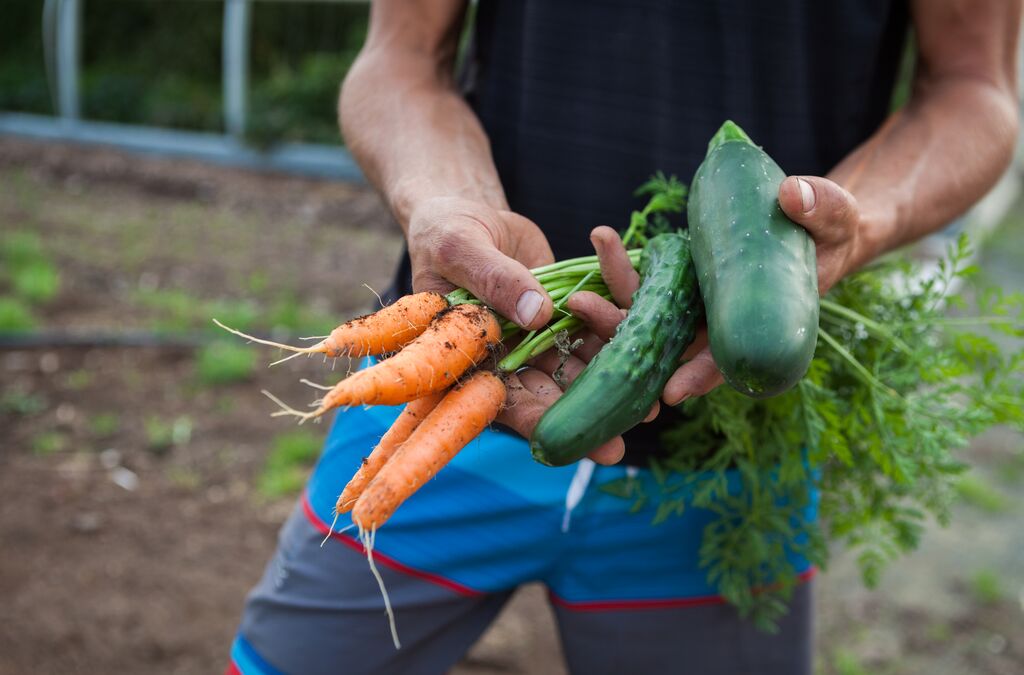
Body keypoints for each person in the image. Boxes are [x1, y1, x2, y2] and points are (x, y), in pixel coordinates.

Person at [227, 2, 1020, 673]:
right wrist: (445, 200)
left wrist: (857, 223)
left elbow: (974, 89)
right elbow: (398, 60)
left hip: (724, 462)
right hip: (451, 373)